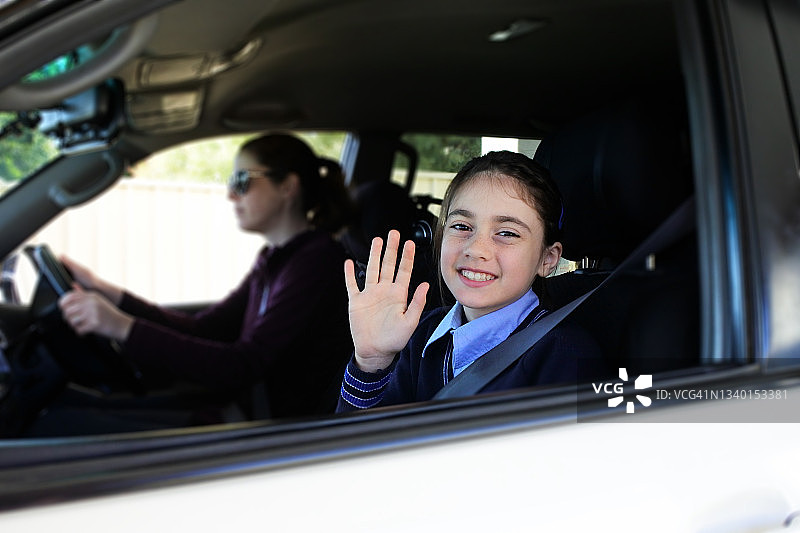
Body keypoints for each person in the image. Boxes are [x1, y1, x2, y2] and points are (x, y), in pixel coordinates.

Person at [58, 133, 353, 421]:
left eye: (242, 181)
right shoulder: (275, 258)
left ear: (288, 186)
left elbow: (245, 364)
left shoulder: (317, 261)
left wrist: (122, 328)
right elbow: (205, 328)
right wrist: (105, 291)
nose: (230, 194)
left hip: (276, 432)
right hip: (247, 410)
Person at [338, 150, 608, 411]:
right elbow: (361, 449)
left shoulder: (564, 354)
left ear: (547, 259)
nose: (476, 249)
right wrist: (372, 361)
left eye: (507, 233)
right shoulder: (423, 334)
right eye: (462, 227)